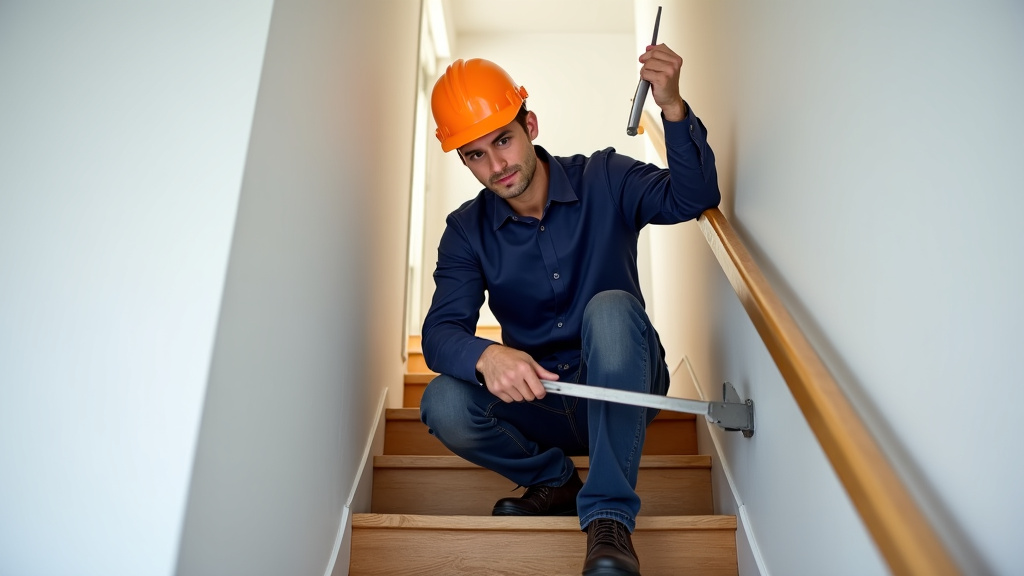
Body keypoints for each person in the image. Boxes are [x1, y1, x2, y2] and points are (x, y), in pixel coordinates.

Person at [419, 43, 720, 576]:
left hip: (623, 384)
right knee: (442, 400)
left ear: (529, 124)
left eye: (503, 140)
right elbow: (441, 333)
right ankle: (554, 479)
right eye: (475, 154)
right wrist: (488, 355)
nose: (497, 166)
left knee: (608, 308)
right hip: (541, 400)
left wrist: (672, 106)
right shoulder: (466, 230)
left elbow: (690, 198)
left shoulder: (605, 176)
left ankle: (608, 520)